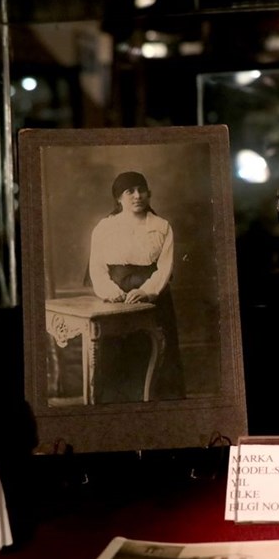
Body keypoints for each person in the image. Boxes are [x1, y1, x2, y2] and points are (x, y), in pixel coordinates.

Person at [87, 171, 185, 402]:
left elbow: (164, 267)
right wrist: (113, 293)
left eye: (141, 190)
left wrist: (146, 292)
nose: (137, 196)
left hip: (154, 296)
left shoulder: (162, 226)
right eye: (129, 191)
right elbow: (97, 267)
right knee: (116, 351)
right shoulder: (104, 227)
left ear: (148, 194)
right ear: (118, 198)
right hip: (117, 296)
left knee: (158, 350)